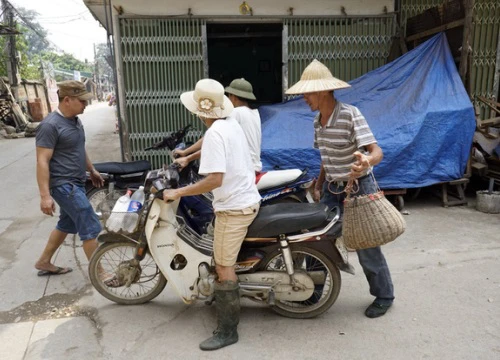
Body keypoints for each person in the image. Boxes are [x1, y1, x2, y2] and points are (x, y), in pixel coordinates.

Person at [285, 59, 395, 318]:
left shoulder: (350, 114)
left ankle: (384, 295)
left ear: (323, 91)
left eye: (307, 93)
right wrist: (320, 182)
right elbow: (325, 156)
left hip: (358, 188)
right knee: (318, 239)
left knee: (366, 244)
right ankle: (312, 291)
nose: (304, 98)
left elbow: (375, 151)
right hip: (331, 190)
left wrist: (366, 161)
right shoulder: (317, 122)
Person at [163, 78, 261, 350]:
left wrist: (178, 193)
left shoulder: (218, 132)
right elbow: (207, 144)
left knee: (223, 266)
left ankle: (228, 331)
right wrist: (188, 156)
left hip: (234, 208)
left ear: (200, 110)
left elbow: (214, 180)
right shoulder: (227, 124)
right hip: (242, 198)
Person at [35, 80, 104, 277]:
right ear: (67, 100)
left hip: (77, 182)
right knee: (90, 225)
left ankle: (44, 261)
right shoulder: (49, 126)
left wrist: (91, 169)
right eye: (82, 101)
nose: (86, 104)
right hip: (64, 185)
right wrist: (44, 196)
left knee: (67, 223)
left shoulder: (75, 120)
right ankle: (101, 274)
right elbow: (42, 161)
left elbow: (78, 148)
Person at [173, 78, 262, 172]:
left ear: (233, 96)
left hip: (243, 167)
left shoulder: (235, 114)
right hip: (252, 165)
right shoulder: (254, 114)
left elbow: (209, 141)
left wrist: (186, 154)